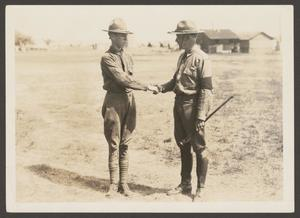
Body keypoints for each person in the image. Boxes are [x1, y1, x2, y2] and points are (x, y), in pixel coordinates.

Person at [154, 20, 213, 200]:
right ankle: (185, 184)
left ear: (188, 38)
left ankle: (200, 188)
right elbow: (175, 81)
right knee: (183, 145)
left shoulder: (202, 58)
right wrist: (160, 88)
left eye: (178, 37)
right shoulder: (182, 56)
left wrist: (201, 115)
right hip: (179, 105)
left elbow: (206, 89)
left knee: (199, 148)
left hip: (193, 107)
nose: (176, 41)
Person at [101, 18, 158, 197]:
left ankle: (124, 184)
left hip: (129, 101)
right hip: (114, 102)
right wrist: (147, 86)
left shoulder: (128, 56)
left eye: (125, 35)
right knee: (114, 144)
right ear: (110, 36)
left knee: (126, 143)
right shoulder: (107, 57)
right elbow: (123, 79)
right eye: (119, 36)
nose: (123, 39)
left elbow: (129, 80)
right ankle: (113, 184)